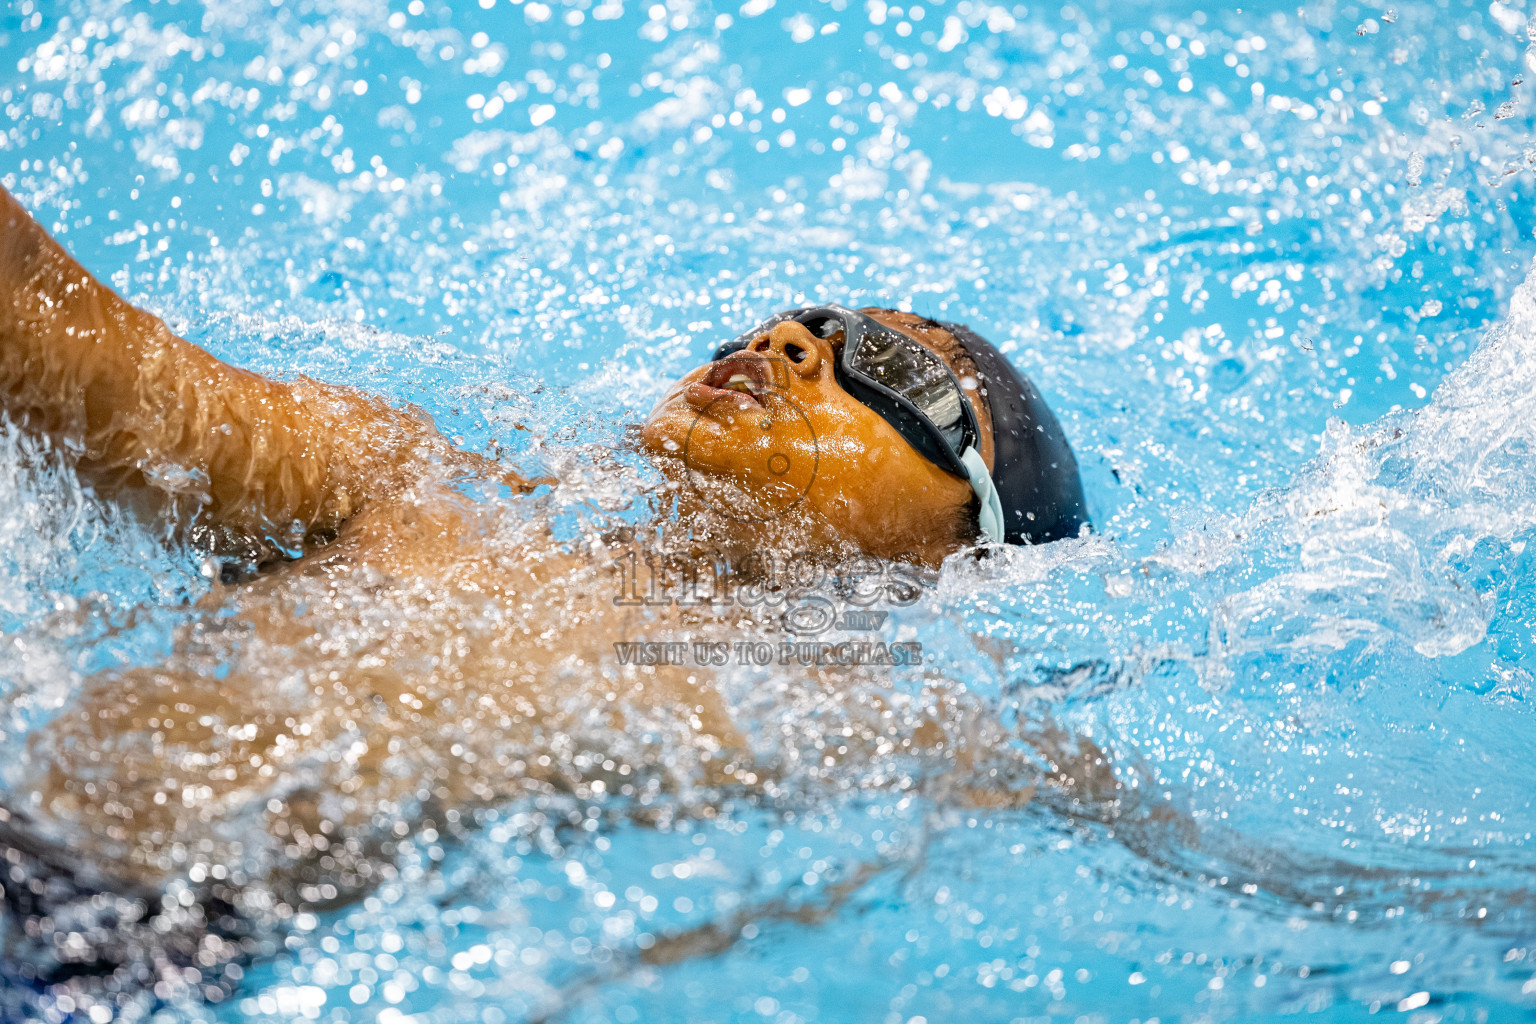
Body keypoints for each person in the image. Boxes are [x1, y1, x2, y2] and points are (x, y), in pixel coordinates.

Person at [0, 185, 1092, 977]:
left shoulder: (859, 700)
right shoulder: (410, 484)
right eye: (792, 321)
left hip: (123, 954)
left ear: (958, 540)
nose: (792, 343)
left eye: (885, 363)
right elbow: (104, 372)